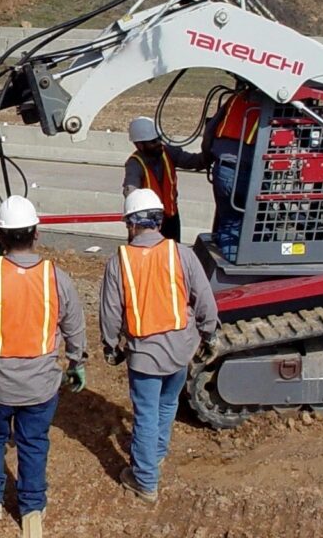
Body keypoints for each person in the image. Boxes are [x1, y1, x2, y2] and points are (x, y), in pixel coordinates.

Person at [0, 195, 87, 537]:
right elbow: (74, 324)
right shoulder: (56, 277)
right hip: (40, 385)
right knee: (33, 442)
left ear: (0, 237)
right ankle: (31, 509)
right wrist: (76, 360)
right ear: (36, 234)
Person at [100, 189, 218, 504]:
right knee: (167, 405)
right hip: (181, 348)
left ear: (130, 224)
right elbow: (204, 298)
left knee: (146, 413)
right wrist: (208, 334)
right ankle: (157, 453)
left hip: (145, 356)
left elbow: (110, 312)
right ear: (159, 219)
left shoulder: (120, 262)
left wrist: (111, 346)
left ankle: (145, 480)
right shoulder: (181, 253)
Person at [123, 116, 207, 242]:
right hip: (148, 223)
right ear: (139, 145)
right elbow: (131, 189)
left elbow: (194, 162)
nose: (159, 144)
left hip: (171, 218)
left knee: (172, 254)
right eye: (153, 142)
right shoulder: (135, 164)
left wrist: (211, 152)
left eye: (159, 139)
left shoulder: (168, 153)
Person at [202, 86, 260, 260]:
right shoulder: (268, 106)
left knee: (228, 221)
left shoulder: (235, 99)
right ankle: (234, 264)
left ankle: (225, 253)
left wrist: (207, 158)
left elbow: (210, 130)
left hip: (223, 170)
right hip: (244, 173)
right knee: (238, 226)